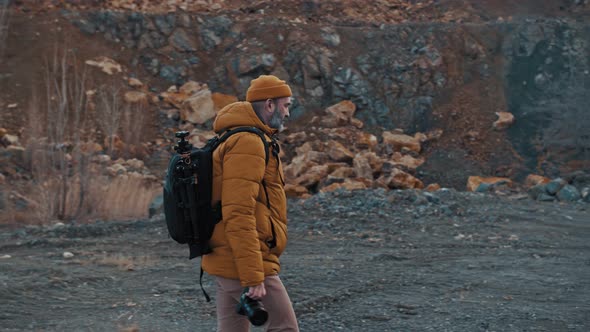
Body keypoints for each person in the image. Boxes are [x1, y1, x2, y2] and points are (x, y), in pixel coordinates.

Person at [202, 75, 299, 331]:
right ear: (269, 104)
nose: (287, 112)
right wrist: (254, 276)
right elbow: (238, 213)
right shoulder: (248, 142)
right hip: (243, 262)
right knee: (285, 328)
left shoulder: (236, 136)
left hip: (225, 257)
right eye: (285, 105)